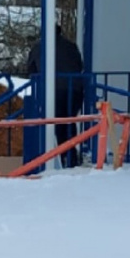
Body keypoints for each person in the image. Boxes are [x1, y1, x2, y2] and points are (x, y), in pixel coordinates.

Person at [26, 24, 85, 167]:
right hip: (74, 89)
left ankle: (61, 154)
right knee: (69, 121)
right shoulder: (71, 46)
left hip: (53, 89)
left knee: (57, 123)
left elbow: (31, 70)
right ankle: (71, 156)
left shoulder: (38, 47)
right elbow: (79, 66)